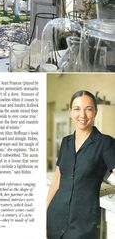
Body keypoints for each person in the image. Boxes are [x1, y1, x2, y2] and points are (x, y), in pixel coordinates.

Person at [47, 90, 115, 239]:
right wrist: (44, 209)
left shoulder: (105, 143)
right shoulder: (66, 142)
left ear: (95, 112)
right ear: (71, 112)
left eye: (88, 109)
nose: (82, 115)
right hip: (55, 217)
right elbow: (57, 180)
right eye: (77, 109)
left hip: (83, 223)